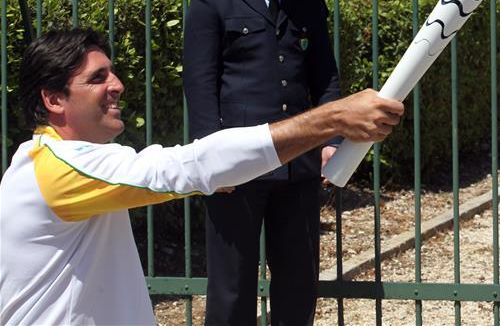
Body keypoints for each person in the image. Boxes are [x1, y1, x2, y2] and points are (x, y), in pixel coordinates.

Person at [0, 29, 401, 325]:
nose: (118, 86)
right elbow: (183, 166)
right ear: (53, 99)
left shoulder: (64, 165)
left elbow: (184, 174)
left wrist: (209, 176)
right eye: (97, 78)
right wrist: (332, 117)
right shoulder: (55, 169)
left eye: (112, 73)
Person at [183, 0, 340, 325]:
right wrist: (211, 159)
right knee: (232, 285)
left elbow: (324, 74)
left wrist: (333, 142)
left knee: (297, 281)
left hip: (298, 159)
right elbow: (199, 83)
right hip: (238, 161)